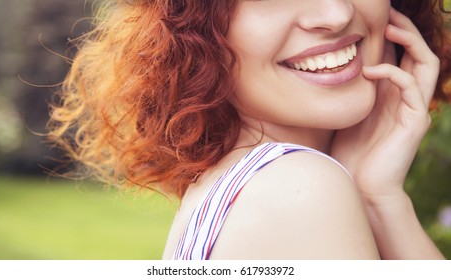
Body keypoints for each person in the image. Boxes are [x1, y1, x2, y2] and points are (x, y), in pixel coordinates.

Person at [47, 0, 451, 259]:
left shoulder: (251, 185)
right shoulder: (298, 190)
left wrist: (380, 200)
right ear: (193, 28)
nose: (336, 13)